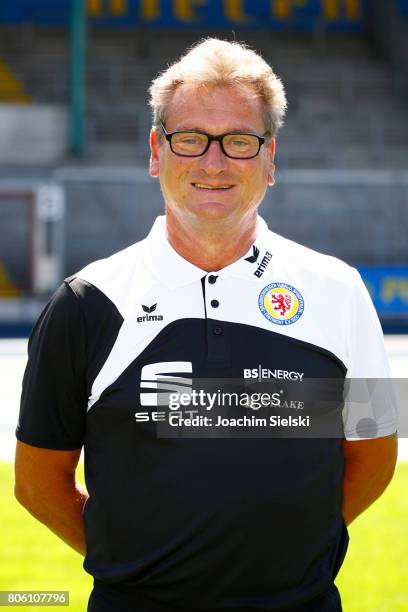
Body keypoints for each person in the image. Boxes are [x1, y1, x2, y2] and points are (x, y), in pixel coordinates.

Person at [15, 39, 398, 612]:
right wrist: (135, 568)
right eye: (190, 138)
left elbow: (374, 455)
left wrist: (294, 553)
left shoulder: (338, 289)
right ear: (155, 152)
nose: (213, 163)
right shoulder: (87, 301)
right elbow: (37, 482)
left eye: (239, 142)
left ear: (271, 159)